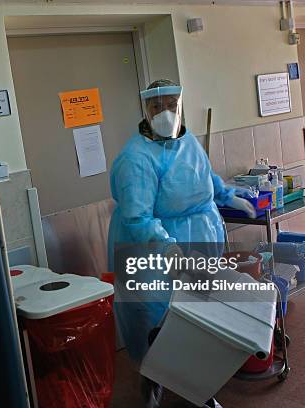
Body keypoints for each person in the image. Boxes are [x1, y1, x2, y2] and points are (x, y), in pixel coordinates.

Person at [107, 79, 255, 408]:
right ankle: (152, 386)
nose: (166, 113)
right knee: (155, 322)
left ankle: (199, 389)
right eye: (157, 106)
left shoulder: (186, 139)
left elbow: (203, 175)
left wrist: (229, 194)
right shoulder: (136, 158)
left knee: (198, 317)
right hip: (151, 250)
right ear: (145, 109)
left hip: (196, 243)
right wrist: (168, 249)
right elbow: (137, 219)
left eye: (172, 104)